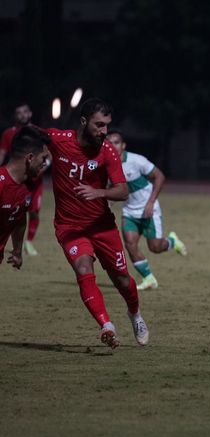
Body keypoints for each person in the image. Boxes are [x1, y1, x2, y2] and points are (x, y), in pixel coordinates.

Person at [47, 98, 148, 348]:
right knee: (83, 268)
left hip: (102, 226)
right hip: (70, 227)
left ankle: (134, 314)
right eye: (99, 125)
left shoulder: (107, 152)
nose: (104, 132)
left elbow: (123, 191)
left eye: (107, 126)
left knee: (122, 280)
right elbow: (31, 137)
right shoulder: (59, 140)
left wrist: (99, 193)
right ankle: (107, 326)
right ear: (83, 122)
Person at [106, 129, 187, 290]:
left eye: (116, 142)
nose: (112, 146)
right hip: (129, 212)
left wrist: (150, 202)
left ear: (123, 146)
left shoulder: (136, 161)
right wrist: (108, 202)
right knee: (130, 244)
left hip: (148, 208)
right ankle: (149, 279)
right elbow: (113, 188)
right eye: (108, 142)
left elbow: (160, 176)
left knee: (155, 247)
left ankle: (172, 241)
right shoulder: (106, 165)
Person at [0, 127, 51, 269]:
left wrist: (17, 250)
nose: (45, 163)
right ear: (30, 158)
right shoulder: (2, 183)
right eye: (44, 158)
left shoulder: (26, 187)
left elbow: (19, 219)